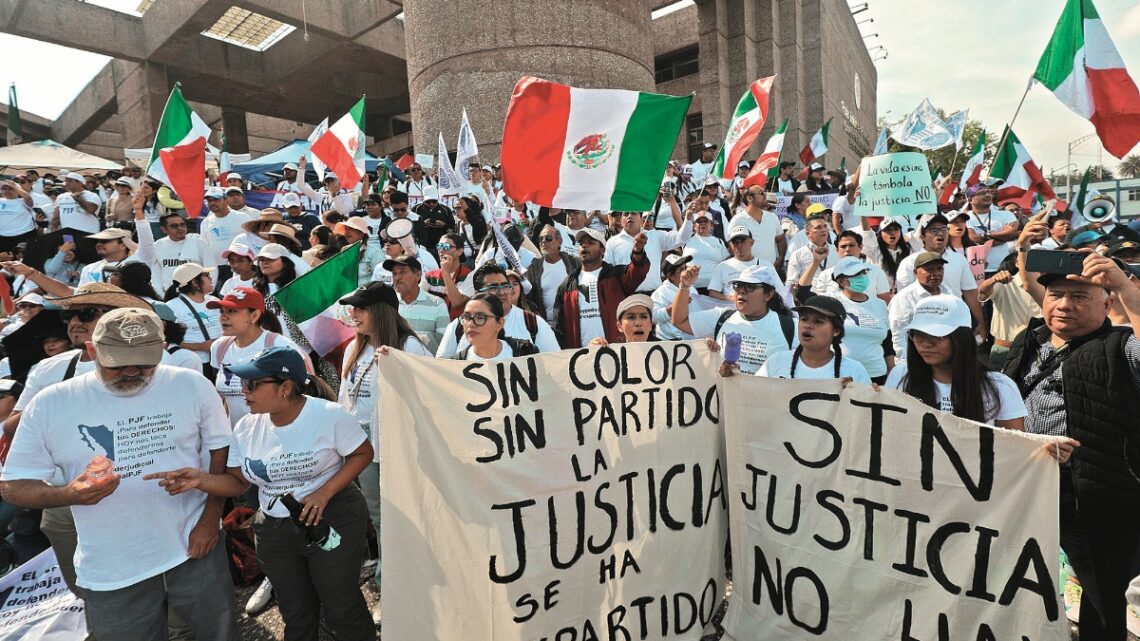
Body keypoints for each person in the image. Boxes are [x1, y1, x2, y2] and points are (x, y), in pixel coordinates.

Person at [1, 308, 240, 641]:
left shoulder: (191, 385)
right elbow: (12, 487)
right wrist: (67, 495)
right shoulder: (50, 404)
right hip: (112, 569)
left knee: (219, 633)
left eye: (144, 363)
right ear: (91, 351)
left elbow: (219, 449)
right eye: (117, 362)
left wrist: (209, 519)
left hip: (194, 547)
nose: (131, 371)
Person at [147, 346, 374, 641]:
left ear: (286, 388)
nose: (243, 390)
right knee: (295, 611)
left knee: (341, 607)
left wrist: (323, 493)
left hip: (332, 520)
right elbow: (239, 483)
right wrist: (200, 480)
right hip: (275, 532)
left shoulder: (328, 416)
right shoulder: (247, 427)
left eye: (252, 384)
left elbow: (362, 453)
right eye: (242, 382)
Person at [1003, 252, 1140, 640]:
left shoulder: (1121, 346)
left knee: (1103, 596)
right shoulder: (1028, 340)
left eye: (1080, 296)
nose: (1064, 304)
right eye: (1057, 294)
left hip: (1093, 496)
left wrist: (1128, 288)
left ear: (1107, 303)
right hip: (1025, 490)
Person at [338, 281, 431, 623]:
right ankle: (389, 577)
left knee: (391, 519)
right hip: (358, 449)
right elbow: (346, 400)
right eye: (352, 308)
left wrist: (398, 371)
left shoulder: (410, 348)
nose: (353, 314)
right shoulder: (354, 347)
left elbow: (427, 401)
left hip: (392, 450)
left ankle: (394, 590)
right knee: (376, 519)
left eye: (360, 308)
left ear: (380, 311)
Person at [884, 294, 1028, 431]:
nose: (925, 344)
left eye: (935, 335)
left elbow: (1014, 445)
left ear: (961, 338)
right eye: (917, 335)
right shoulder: (900, 376)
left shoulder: (1000, 386)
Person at [671, 263, 795, 374]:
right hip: (725, 398)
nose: (741, 291)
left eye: (750, 287)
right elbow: (679, 321)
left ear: (768, 294)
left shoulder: (791, 327)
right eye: (738, 285)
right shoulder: (722, 317)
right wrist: (684, 287)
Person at [894, 214, 987, 341]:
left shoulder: (959, 260)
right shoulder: (910, 263)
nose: (940, 234)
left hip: (954, 322)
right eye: (934, 230)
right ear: (922, 235)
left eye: (944, 229)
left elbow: (970, 291)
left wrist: (981, 322)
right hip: (923, 327)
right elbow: (904, 300)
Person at [553, 228, 649, 348]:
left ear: (602, 250)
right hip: (581, 357)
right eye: (582, 244)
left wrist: (638, 252)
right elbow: (559, 326)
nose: (585, 246)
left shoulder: (616, 275)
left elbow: (637, 272)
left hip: (616, 352)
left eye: (590, 243)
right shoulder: (567, 285)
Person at [437, 262, 560, 357]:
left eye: (506, 286)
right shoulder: (458, 327)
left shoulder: (533, 324)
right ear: (477, 294)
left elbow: (554, 363)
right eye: (494, 288)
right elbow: (443, 370)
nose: (502, 293)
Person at [756, 295, 870, 383]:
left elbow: (867, 409)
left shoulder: (853, 371)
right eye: (804, 319)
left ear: (836, 331)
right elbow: (751, 394)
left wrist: (866, 393)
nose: (808, 325)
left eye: (818, 321)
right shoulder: (777, 361)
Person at [828, 256, 893, 383]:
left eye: (863, 272)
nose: (862, 277)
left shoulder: (879, 304)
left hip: (877, 374)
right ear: (841, 281)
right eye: (855, 274)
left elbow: (887, 342)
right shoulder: (832, 302)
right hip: (843, 374)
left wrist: (892, 371)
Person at [604, 210, 691, 293]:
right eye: (626, 214)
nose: (629, 216)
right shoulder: (612, 242)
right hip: (626, 298)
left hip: (655, 296)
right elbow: (607, 271)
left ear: (641, 220)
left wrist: (689, 219)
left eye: (634, 213)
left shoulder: (655, 236)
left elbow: (682, 238)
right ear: (621, 221)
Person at [889, 252, 951, 357]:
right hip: (916, 356)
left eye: (940, 269)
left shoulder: (947, 293)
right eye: (929, 269)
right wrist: (905, 361)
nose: (936, 273)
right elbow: (899, 334)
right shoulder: (904, 298)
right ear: (915, 272)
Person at [165, 263, 221, 374]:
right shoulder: (172, 306)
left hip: (219, 361)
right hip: (193, 364)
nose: (211, 278)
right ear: (195, 282)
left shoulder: (214, 300)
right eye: (206, 275)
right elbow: (168, 340)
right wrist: (200, 346)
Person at [387, 254, 450, 352]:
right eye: (394, 273)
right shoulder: (387, 304)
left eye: (402, 272)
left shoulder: (437, 304)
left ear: (418, 275)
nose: (397, 277)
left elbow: (444, 343)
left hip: (424, 364)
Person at [452, 293, 540, 360]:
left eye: (480, 317)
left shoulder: (526, 352)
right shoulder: (455, 364)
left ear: (499, 323)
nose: (471, 324)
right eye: (466, 317)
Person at [146, 212, 218, 292]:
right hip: (170, 296)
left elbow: (211, 268)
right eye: (174, 226)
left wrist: (207, 292)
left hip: (197, 294)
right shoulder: (157, 246)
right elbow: (155, 275)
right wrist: (161, 295)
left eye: (183, 225)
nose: (180, 228)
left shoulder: (198, 242)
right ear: (164, 229)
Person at [525, 224, 579, 322]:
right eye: (540, 239)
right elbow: (529, 299)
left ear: (560, 241)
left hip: (573, 323)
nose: (543, 242)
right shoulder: (533, 268)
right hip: (548, 325)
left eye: (548, 238)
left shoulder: (575, 263)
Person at [965, 183, 1021, 276]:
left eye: (988, 192)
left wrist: (984, 236)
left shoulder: (1006, 214)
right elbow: (973, 239)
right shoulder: (966, 217)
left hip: (1005, 269)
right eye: (981, 193)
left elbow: (1012, 233)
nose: (987, 195)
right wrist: (1004, 236)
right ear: (970, 199)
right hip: (978, 270)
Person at [707, 226, 775, 300]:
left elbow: (777, 290)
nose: (739, 245)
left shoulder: (765, 265)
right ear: (730, 245)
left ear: (752, 242)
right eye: (735, 242)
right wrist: (732, 298)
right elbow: (713, 293)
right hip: (730, 309)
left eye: (742, 241)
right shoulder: (722, 266)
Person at [727, 185, 785, 267]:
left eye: (764, 192)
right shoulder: (738, 220)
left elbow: (781, 239)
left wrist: (780, 259)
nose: (765, 195)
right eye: (761, 193)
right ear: (750, 198)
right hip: (747, 272)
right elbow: (730, 244)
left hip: (770, 271)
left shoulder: (772, 217)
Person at [787, 216, 839, 297]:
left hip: (834, 297)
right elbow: (791, 282)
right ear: (808, 233)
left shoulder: (837, 251)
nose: (823, 230)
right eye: (818, 227)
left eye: (825, 226)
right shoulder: (798, 254)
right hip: (809, 298)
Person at [682, 212, 730, 292]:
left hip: (715, 288)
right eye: (699, 222)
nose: (702, 224)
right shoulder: (686, 240)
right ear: (694, 226)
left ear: (712, 225)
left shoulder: (719, 242)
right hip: (692, 288)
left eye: (705, 221)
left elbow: (726, 261)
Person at [861, 216, 912, 290]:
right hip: (879, 294)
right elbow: (866, 229)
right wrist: (862, 212)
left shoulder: (908, 249)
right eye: (887, 230)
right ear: (880, 233)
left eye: (896, 229)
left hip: (903, 294)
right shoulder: (874, 249)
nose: (892, 233)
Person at [0, 179, 39, 254]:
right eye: (4, 189)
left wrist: (15, 186)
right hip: (3, 237)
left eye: (11, 189)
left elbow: (28, 198)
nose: (7, 191)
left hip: (24, 235)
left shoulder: (22, 201)